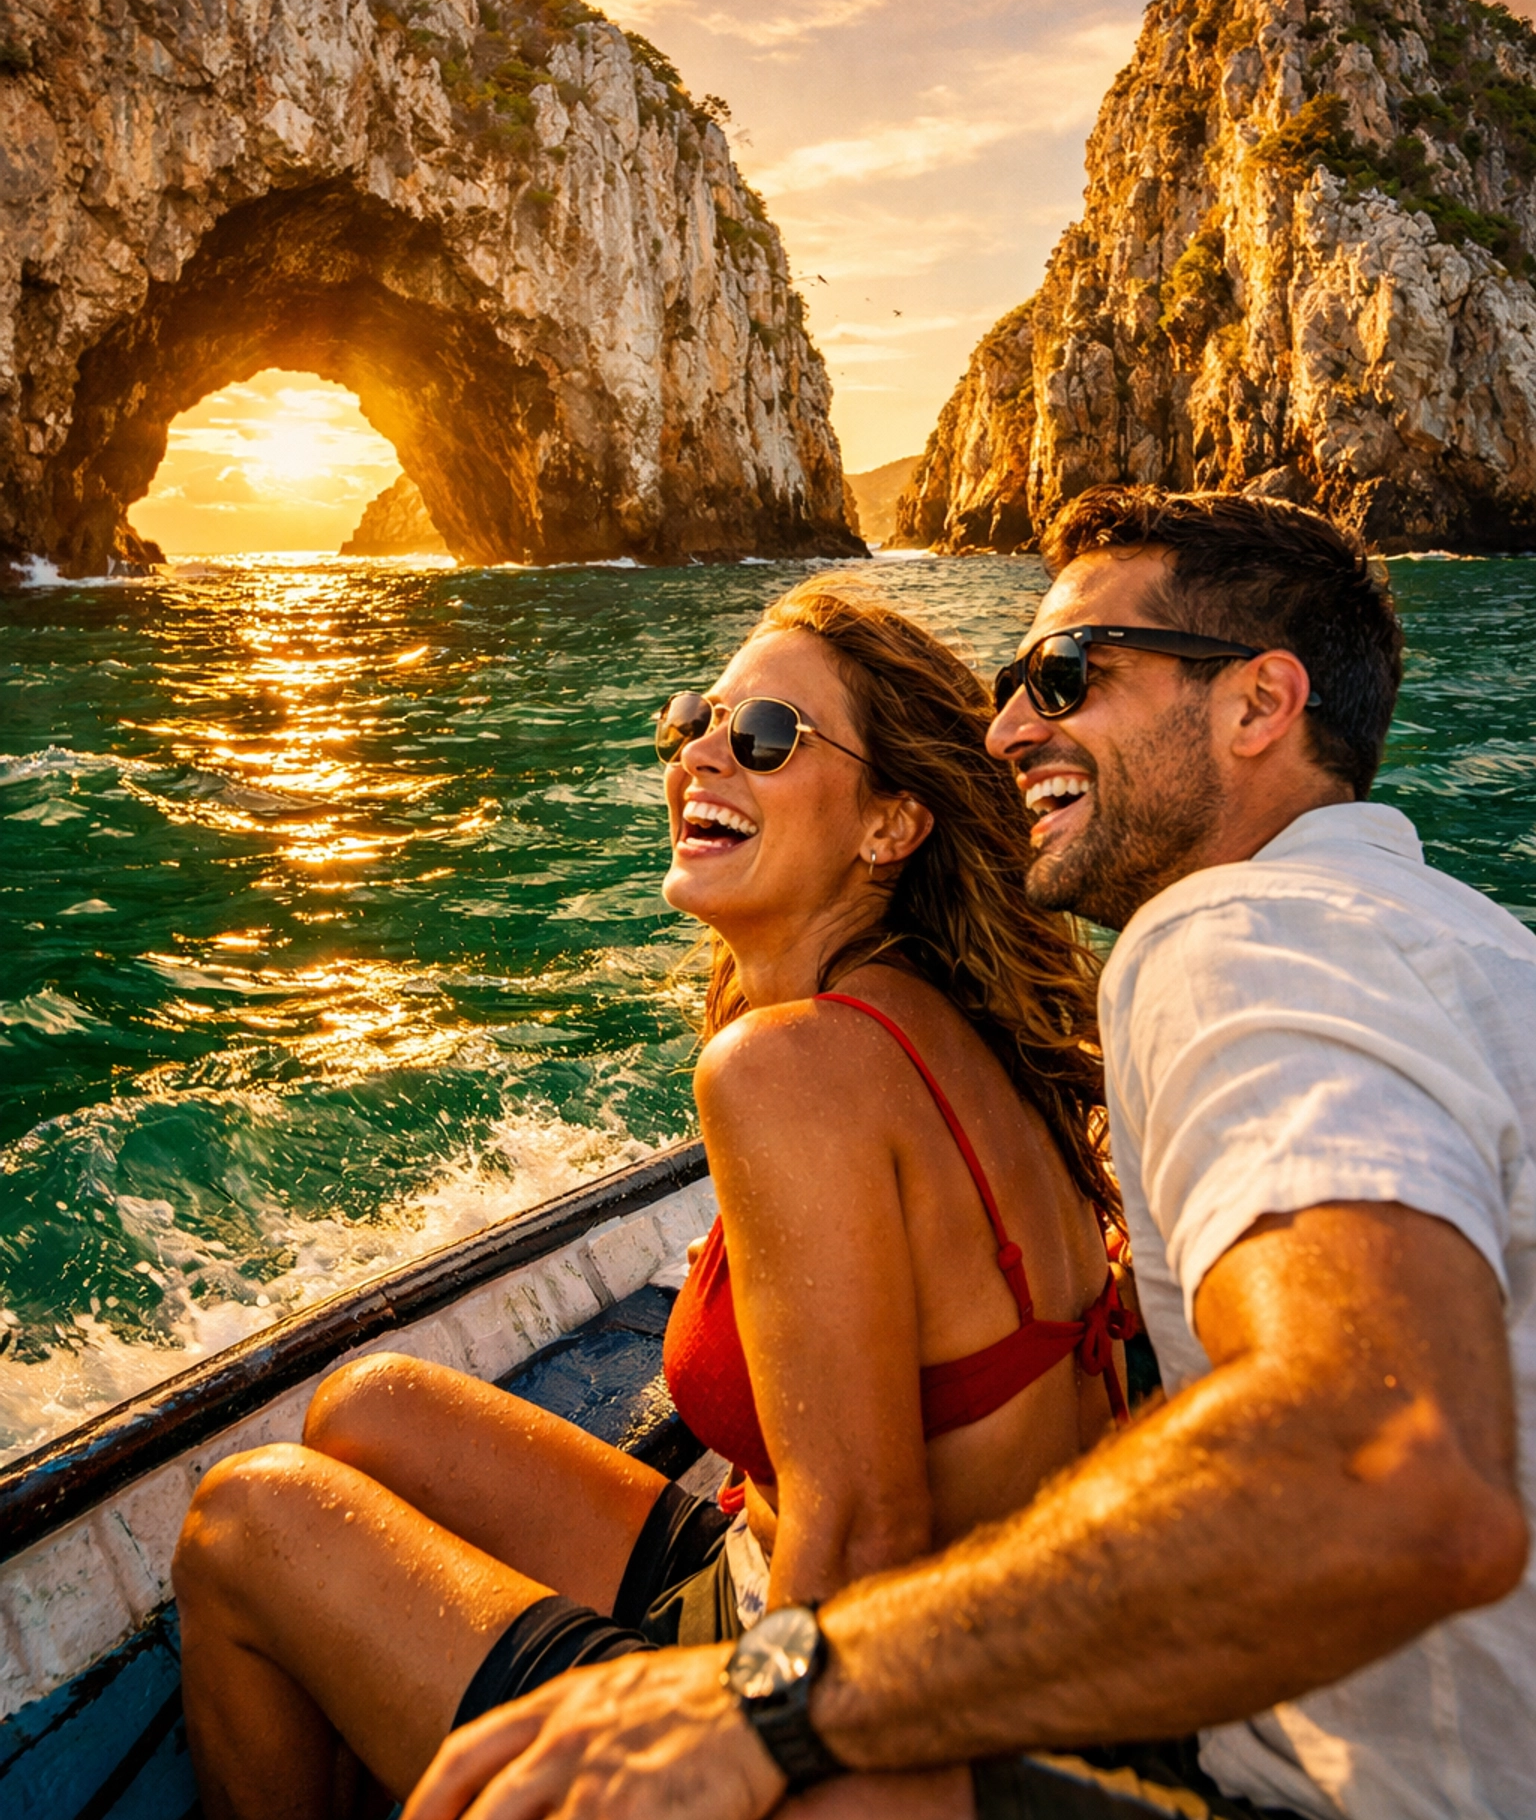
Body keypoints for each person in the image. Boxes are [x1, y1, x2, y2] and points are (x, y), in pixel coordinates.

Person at [403, 487, 1536, 1820]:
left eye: (1065, 677)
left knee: (258, 1515)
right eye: (1009, 687)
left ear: (1258, 705)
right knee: (372, 1416)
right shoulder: (1450, 938)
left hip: (1326, 1793)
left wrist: (777, 1700)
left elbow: (1391, 1468)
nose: (1009, 731)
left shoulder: (1239, 942)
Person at [172, 573, 1133, 1820]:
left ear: (891, 825)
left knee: (247, 1521)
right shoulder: (937, 1017)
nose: (701, 762)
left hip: (865, 1720)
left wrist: (747, 1759)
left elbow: (865, 1532)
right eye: (695, 723)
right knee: (370, 1409)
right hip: (894, 1627)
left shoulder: (792, 1069)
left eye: (767, 739)